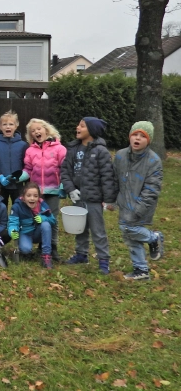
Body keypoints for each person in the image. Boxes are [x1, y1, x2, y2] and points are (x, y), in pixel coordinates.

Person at [60, 117, 118, 274]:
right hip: (78, 198)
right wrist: (70, 189)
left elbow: (107, 176)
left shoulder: (101, 151)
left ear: (91, 130)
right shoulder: (73, 149)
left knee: (98, 230)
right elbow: (65, 171)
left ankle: (104, 260)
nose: (77, 127)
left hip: (94, 199)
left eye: (82, 125)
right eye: (78, 124)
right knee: (80, 228)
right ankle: (81, 255)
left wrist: (109, 200)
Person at [114, 121, 164, 280]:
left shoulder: (153, 161)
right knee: (130, 237)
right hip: (124, 201)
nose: (137, 138)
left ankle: (153, 237)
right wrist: (111, 200)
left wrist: (139, 208)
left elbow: (152, 188)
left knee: (127, 228)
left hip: (141, 204)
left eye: (142, 136)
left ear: (148, 140)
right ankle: (141, 270)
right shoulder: (120, 155)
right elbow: (113, 178)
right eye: (135, 135)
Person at [23, 118, 66, 262]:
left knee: (52, 218)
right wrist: (18, 177)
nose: (36, 132)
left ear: (46, 129)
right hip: (37, 193)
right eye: (33, 131)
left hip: (54, 190)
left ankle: (53, 247)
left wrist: (63, 186)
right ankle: (42, 246)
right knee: (38, 218)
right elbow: (28, 169)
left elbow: (64, 168)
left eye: (38, 129)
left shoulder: (59, 148)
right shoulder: (30, 150)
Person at [8, 182, 58, 268]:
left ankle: (46, 256)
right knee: (26, 249)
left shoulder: (42, 205)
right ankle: (23, 249)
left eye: (35, 196)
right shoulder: (17, 207)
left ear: (39, 197)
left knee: (46, 224)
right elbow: (13, 222)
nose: (32, 198)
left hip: (38, 233)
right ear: (23, 197)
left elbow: (53, 220)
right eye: (29, 195)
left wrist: (43, 218)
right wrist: (12, 231)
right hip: (25, 233)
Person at [0, 110, 29, 207]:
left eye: (11, 124)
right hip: (0, 185)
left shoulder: (23, 145)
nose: (8, 126)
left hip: (17, 185)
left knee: (19, 209)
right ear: (0, 127)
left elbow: (27, 164)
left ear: (16, 125)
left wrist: (21, 177)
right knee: (0, 209)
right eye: (4, 124)